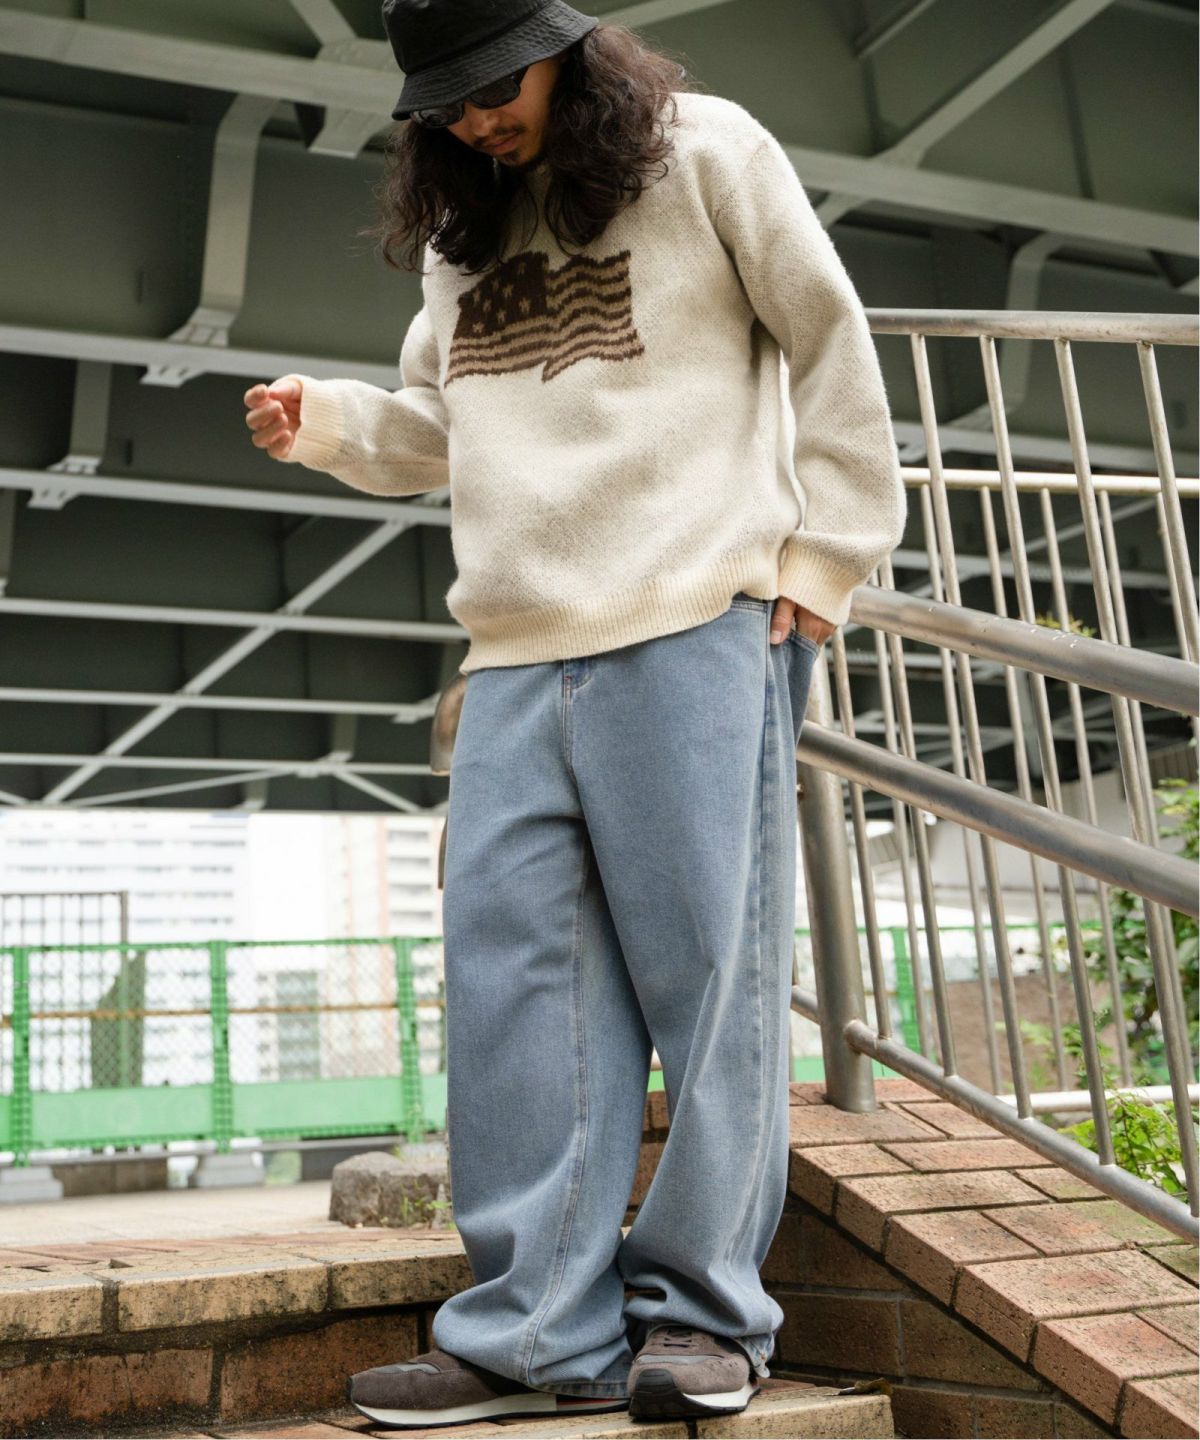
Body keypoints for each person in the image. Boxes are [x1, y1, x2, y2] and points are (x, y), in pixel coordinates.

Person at [243, 0, 906, 1427]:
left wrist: (829, 556)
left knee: (707, 984)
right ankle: (533, 1334)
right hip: (514, 648)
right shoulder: (462, 232)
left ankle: (708, 1320)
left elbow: (827, 333)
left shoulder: (707, 152)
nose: (476, 118)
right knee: (515, 995)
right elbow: (450, 423)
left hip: (696, 618)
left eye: (497, 85)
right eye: (447, 103)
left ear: (569, 49)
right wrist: (332, 423)